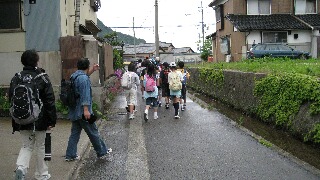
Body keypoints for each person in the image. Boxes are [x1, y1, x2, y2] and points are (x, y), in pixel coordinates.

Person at [9, 49, 57, 180]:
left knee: (26, 146)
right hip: (40, 120)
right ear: (36, 61)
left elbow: (11, 100)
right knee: (41, 147)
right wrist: (52, 121)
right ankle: (42, 175)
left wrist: (15, 120)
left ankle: (21, 168)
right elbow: (49, 101)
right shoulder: (42, 78)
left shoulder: (16, 78)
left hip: (22, 119)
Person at [65, 58, 112, 161]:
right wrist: (86, 110)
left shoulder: (75, 76)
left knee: (75, 133)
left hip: (74, 111)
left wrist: (93, 70)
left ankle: (70, 155)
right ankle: (102, 152)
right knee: (93, 131)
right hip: (84, 112)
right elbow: (85, 95)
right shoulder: (84, 79)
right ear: (87, 66)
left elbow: (83, 79)